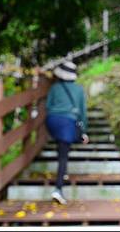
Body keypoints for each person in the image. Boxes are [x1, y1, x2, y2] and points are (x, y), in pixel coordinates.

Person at [45, 60, 89, 205]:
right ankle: (58, 189)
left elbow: (48, 106)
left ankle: (62, 174)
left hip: (51, 122)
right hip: (67, 123)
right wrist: (84, 131)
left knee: (61, 145)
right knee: (64, 155)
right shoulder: (78, 89)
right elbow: (82, 113)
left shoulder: (54, 88)